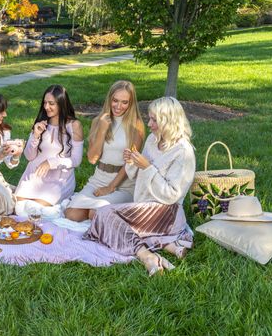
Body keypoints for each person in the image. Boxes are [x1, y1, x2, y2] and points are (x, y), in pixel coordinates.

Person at [84, 97, 196, 276]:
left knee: (104, 214)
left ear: (168, 122)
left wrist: (147, 167)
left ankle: (145, 255)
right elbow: (136, 173)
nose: (149, 124)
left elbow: (173, 195)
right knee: (104, 215)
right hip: (144, 206)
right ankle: (167, 246)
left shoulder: (183, 151)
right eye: (149, 118)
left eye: (154, 120)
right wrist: (132, 162)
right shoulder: (153, 139)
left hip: (167, 212)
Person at [64, 80, 145, 221]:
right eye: (115, 100)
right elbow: (92, 159)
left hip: (123, 183)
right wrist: (102, 130)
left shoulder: (136, 125)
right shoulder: (99, 121)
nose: (119, 106)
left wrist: (110, 187)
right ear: (109, 99)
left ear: (131, 103)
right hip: (99, 178)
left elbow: (130, 163)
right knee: (71, 214)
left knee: (95, 214)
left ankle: (102, 213)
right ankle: (100, 212)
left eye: (124, 102)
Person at [14, 85, 83, 217]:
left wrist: (51, 163)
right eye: (45, 103)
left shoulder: (74, 125)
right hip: (35, 174)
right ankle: (54, 210)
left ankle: (59, 206)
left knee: (36, 209)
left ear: (62, 104)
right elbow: (29, 156)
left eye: (51, 103)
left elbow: (76, 160)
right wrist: (35, 135)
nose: (46, 107)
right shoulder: (41, 122)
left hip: (59, 178)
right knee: (19, 208)